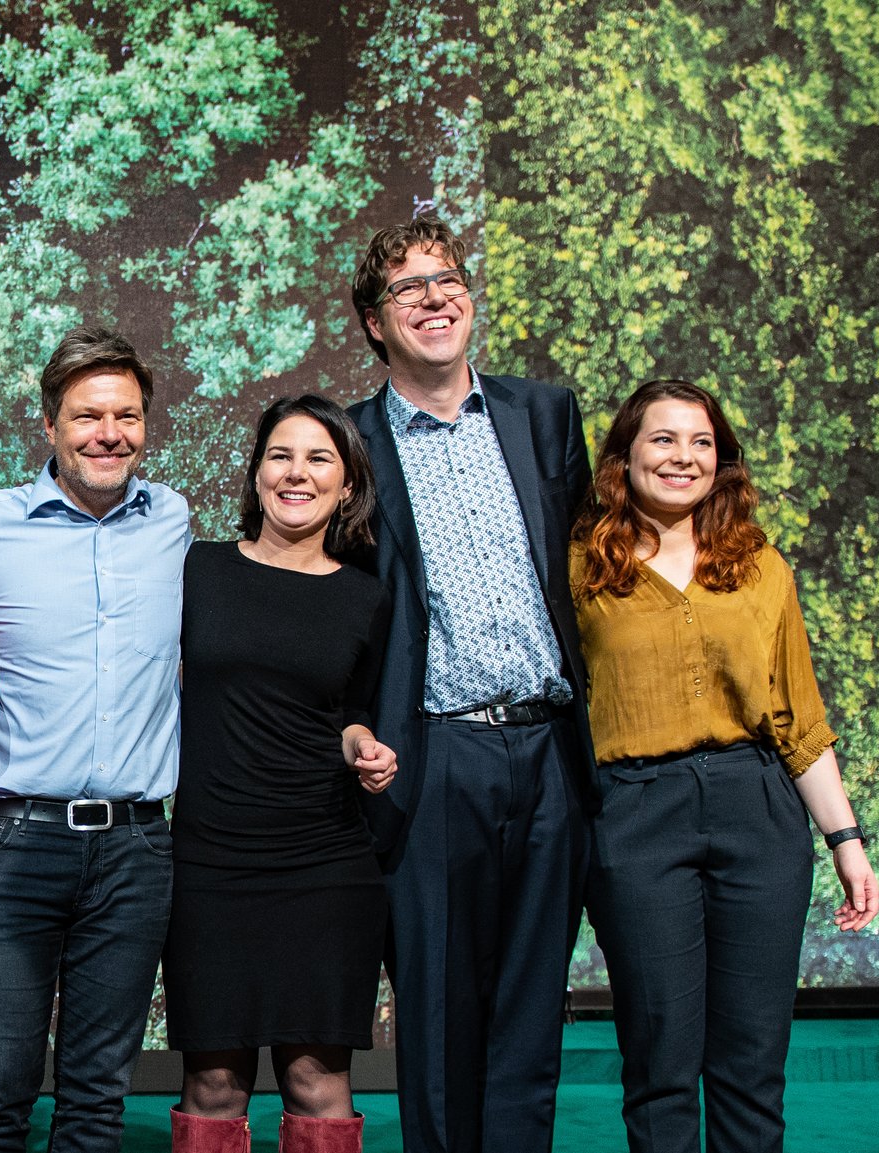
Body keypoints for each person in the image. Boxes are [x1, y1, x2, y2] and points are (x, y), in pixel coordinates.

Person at [571, 379, 879, 1153]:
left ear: (722, 460)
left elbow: (798, 715)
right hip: (635, 814)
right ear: (625, 455)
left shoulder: (760, 566)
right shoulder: (580, 565)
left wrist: (846, 838)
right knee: (662, 1058)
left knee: (750, 1063)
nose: (684, 456)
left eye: (702, 442)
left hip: (758, 811)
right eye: (664, 439)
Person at [344, 213, 593, 1153]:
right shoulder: (351, 442)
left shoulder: (544, 413)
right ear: (376, 321)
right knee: (441, 1014)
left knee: (531, 1014)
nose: (435, 298)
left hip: (551, 753)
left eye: (447, 278)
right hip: (433, 752)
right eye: (408, 288)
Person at [0, 325, 191, 1153]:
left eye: (127, 415)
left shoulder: (174, 520)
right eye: (88, 415)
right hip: (13, 843)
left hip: (136, 849)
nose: (109, 433)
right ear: (49, 422)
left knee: (97, 1098)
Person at [163, 395, 398, 1153]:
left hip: (325, 864)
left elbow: (351, 710)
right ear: (258, 471)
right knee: (214, 1083)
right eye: (281, 455)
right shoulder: (196, 569)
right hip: (210, 861)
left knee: (317, 1081)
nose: (297, 473)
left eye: (319, 458)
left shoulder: (366, 596)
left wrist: (364, 744)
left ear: (348, 485)